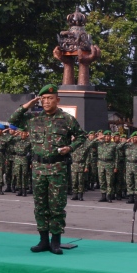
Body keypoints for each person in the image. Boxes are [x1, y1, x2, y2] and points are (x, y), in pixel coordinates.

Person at [9, 84, 85, 255]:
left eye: (50, 98)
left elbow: (81, 136)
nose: (46, 101)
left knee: (57, 205)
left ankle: (55, 241)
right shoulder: (33, 119)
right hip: (38, 168)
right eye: (43, 99)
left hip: (57, 167)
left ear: (57, 100)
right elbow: (13, 120)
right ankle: (43, 240)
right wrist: (28, 104)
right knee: (40, 205)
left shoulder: (67, 119)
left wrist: (70, 148)